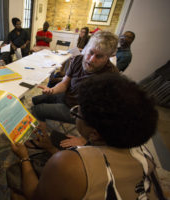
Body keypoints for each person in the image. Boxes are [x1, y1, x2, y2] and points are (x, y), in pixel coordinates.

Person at [10, 73, 163, 200]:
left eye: (77, 111)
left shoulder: (67, 162)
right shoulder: (142, 150)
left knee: (17, 193)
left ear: (94, 135)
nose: (75, 113)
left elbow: (36, 195)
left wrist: (24, 157)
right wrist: (50, 147)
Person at [31, 31, 119, 133]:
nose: (91, 59)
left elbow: (103, 113)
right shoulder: (78, 59)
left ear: (108, 57)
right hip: (67, 96)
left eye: (99, 56)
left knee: (37, 109)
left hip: (78, 111)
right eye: (90, 52)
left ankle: (41, 137)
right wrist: (52, 90)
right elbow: (65, 83)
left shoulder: (112, 76)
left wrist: (85, 139)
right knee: (35, 100)